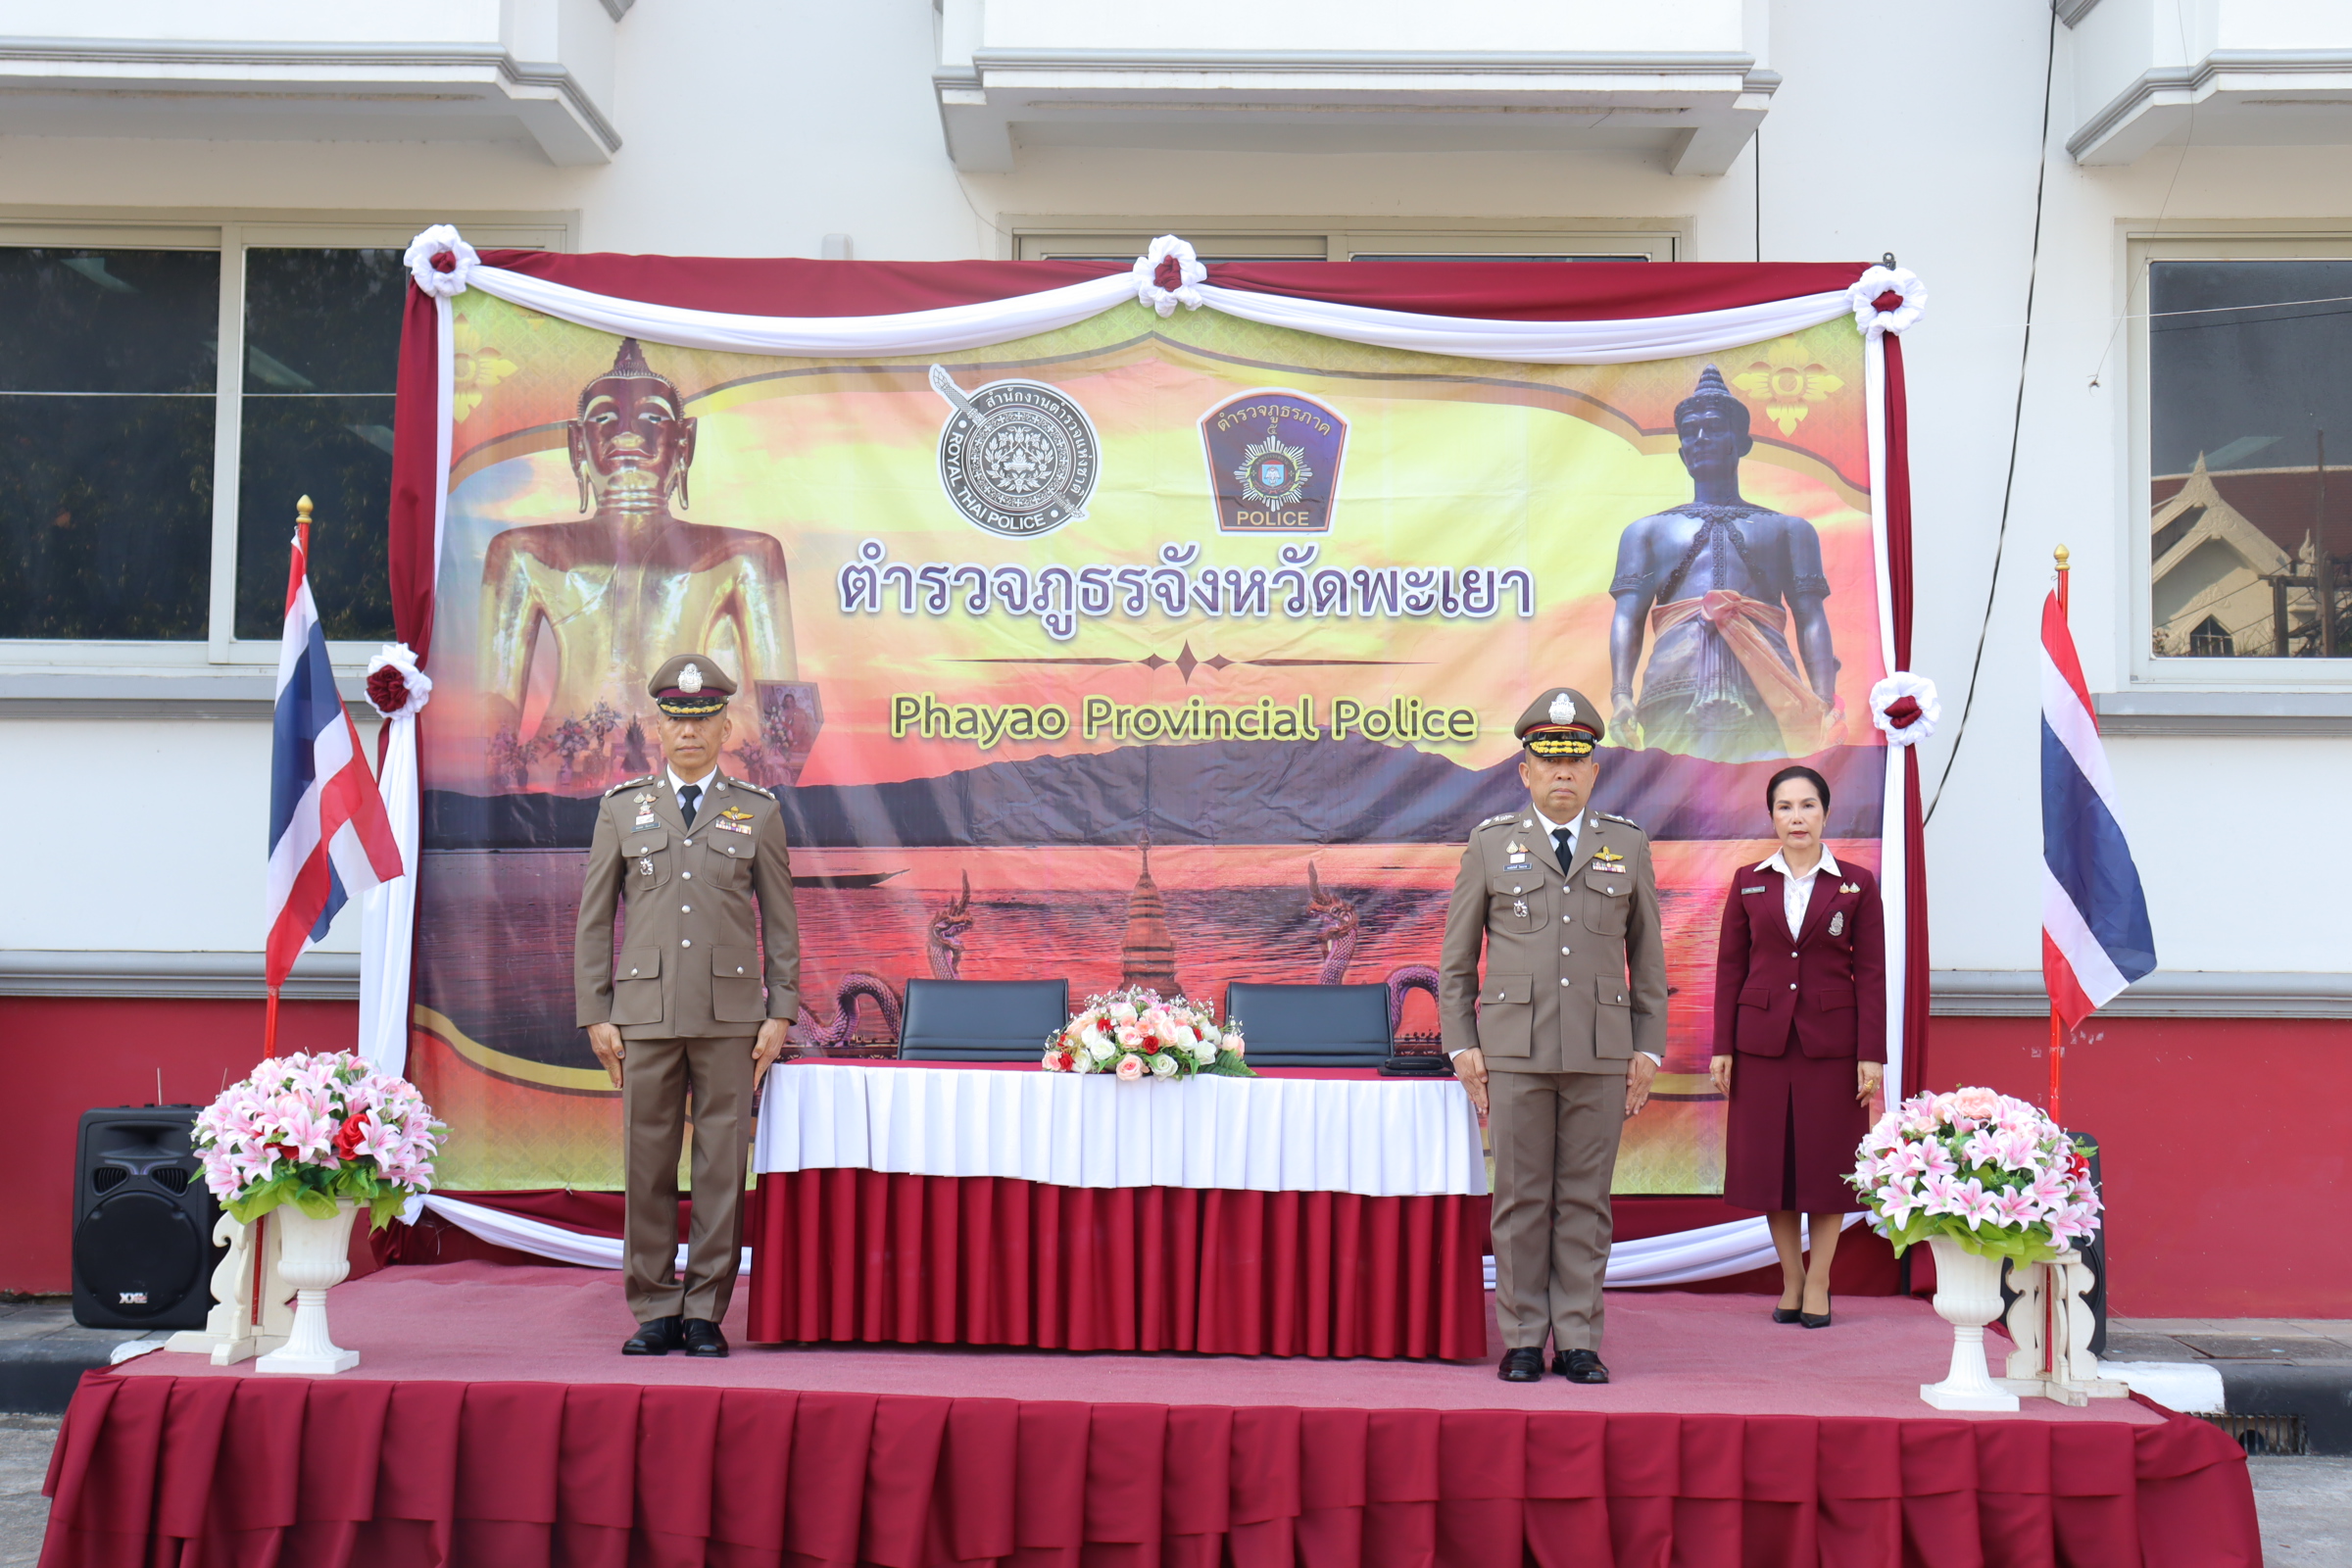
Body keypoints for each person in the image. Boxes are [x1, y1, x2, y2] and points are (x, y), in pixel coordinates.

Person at [575, 652, 801, 1357]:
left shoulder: (757, 811)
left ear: (726, 726)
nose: (690, 732)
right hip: (643, 1015)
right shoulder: (622, 809)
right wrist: (596, 1011)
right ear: (659, 728)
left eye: (704, 720)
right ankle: (652, 1307)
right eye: (677, 720)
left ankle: (704, 1309)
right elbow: (594, 919)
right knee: (645, 1166)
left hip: (730, 1018)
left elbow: (781, 921)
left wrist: (781, 1011)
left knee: (720, 1168)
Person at [1440, 688, 1668, 1384]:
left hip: (1601, 1050)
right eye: (1548, 760)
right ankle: (1520, 1336)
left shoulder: (1626, 844)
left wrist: (1647, 1047)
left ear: (1594, 771)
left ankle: (1577, 1338)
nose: (1562, 773)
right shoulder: (1490, 846)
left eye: (1575, 762)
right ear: (1525, 771)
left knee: (1585, 1201)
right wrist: (1462, 1045)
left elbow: (1648, 960)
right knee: (1520, 1199)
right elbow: (1457, 962)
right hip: (1514, 1050)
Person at [479, 337, 812, 789]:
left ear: (685, 441)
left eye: (653, 417)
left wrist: (692, 738)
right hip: (563, 769)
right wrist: (501, 776)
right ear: (577, 443)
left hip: (698, 770)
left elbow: (781, 714)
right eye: (604, 418)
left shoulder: (746, 555)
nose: (627, 434)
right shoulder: (522, 552)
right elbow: (493, 705)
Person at [1708, 763, 1885, 1328]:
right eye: (1785, 807)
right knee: (1773, 1170)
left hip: (1832, 1047)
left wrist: (1871, 1054)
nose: (1797, 817)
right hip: (1761, 1045)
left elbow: (1872, 973)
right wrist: (1723, 1046)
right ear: (1772, 817)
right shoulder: (1749, 881)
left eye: (1808, 805)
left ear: (1826, 814)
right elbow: (1730, 968)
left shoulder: (1856, 883)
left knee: (1826, 1169)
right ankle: (1791, 1279)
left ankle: (1820, 1280)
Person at [1605, 365, 1844, 762]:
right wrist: (1621, 695)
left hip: (1767, 684)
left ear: (1742, 442)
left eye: (1714, 427)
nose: (1700, 439)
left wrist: (1822, 699)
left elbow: (1811, 618)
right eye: (1690, 432)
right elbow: (1628, 618)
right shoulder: (1645, 532)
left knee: (1764, 786)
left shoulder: (1790, 530)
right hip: (1673, 685)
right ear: (1681, 452)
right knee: (1673, 786)